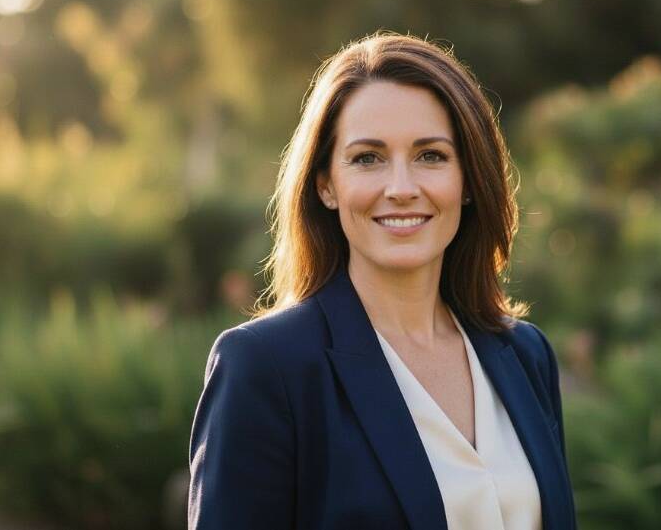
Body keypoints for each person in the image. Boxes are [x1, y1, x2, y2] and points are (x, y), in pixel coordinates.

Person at [188, 31, 577, 530]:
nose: (401, 188)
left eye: (431, 155)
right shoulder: (266, 367)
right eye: (367, 158)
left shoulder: (524, 354)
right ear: (326, 183)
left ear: (468, 180)